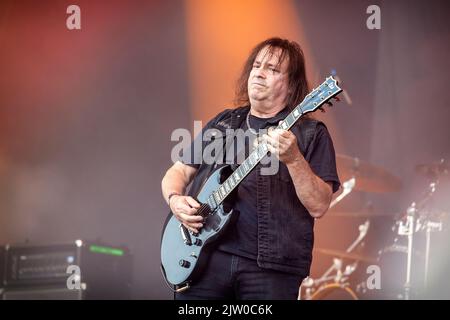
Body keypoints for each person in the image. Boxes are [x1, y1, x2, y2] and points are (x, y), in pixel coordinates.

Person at [161, 37, 340, 300]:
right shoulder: (223, 123)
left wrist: (294, 160)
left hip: (270, 270)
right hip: (205, 260)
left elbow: (319, 205)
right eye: (257, 65)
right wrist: (176, 200)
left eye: (273, 69)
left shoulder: (311, 134)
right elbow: (176, 173)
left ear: (291, 88)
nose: (260, 72)